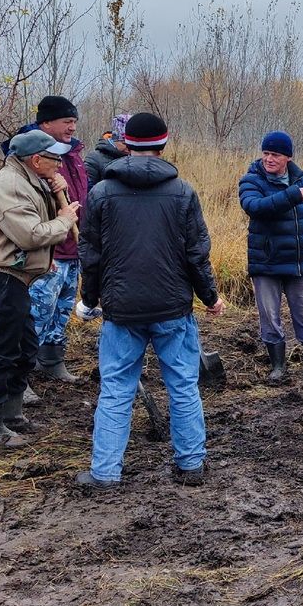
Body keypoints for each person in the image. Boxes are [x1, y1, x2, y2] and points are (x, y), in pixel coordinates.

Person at [75, 113, 225, 491]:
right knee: (183, 385)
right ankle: (191, 466)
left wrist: (89, 298)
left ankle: (105, 472)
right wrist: (210, 297)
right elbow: (196, 254)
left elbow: (90, 254)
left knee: (116, 389)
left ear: (126, 143)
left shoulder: (101, 194)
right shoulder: (183, 192)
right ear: (164, 143)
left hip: (121, 311)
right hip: (173, 309)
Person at [0, 130, 79, 448]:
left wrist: (59, 191)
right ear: (36, 159)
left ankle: (11, 413)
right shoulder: (9, 186)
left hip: (15, 278)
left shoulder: (29, 181)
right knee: (1, 352)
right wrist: (64, 218)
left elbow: (38, 222)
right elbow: (30, 235)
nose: (60, 163)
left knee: (26, 347)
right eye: (55, 158)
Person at [0, 96, 88, 393]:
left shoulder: (72, 151)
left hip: (72, 244)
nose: (72, 127)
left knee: (62, 309)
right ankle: (19, 375)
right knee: (36, 312)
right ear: (45, 123)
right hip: (46, 249)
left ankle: (51, 359)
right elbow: (23, 199)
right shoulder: (29, 152)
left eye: (74, 121)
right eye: (66, 121)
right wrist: (51, 183)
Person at [239, 130, 303, 385]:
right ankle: (278, 367)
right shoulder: (252, 180)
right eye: (266, 153)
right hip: (266, 261)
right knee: (269, 317)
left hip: (298, 261)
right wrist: (292, 195)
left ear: (288, 158)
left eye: (275, 154)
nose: (269, 159)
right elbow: (255, 208)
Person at [84, 113, 130, 191]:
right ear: (113, 140)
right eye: (124, 143)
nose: (129, 148)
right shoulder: (94, 159)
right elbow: (87, 190)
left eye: (131, 144)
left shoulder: (135, 156)